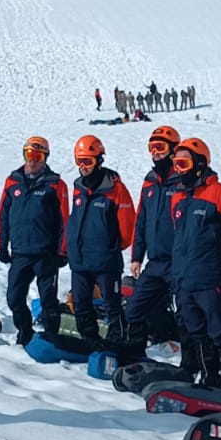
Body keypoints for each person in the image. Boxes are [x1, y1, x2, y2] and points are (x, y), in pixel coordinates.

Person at [167, 138, 221, 386]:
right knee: (196, 332)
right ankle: (209, 376)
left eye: (184, 164)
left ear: (199, 164)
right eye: (176, 163)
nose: (178, 169)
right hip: (185, 281)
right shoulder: (177, 196)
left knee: (220, 334)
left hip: (211, 279)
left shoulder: (219, 194)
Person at [0, 135, 68, 345]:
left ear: (45, 158)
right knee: (14, 297)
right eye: (29, 155)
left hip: (46, 255)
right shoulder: (12, 182)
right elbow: (3, 214)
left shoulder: (55, 185)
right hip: (20, 253)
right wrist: (2, 244)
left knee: (48, 300)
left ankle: (52, 337)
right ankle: (24, 330)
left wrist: (62, 251)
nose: (33, 160)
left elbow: (64, 219)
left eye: (38, 156)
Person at [66, 135, 134, 346]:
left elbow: (127, 225)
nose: (83, 167)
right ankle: (90, 341)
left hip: (105, 261)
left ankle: (118, 343)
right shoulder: (78, 187)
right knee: (80, 304)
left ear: (99, 160)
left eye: (88, 161)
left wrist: (111, 246)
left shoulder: (116, 189)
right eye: (80, 161)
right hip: (79, 260)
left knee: (112, 305)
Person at [125, 126, 183, 345]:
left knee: (188, 314)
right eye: (152, 147)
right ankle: (136, 353)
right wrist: (137, 256)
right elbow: (141, 220)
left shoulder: (182, 181)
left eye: (160, 147)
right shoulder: (150, 181)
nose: (155, 152)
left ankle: (192, 361)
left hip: (179, 262)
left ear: (173, 150)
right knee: (134, 308)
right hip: (155, 261)